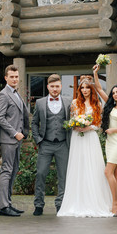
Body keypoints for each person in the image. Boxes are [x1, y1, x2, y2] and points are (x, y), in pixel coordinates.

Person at [57, 79, 113, 217]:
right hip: (77, 137)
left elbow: (99, 124)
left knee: (92, 167)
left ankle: (94, 201)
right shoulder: (75, 103)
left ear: (91, 89)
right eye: (82, 88)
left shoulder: (97, 104)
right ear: (80, 89)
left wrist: (89, 127)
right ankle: (76, 201)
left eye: (88, 87)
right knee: (78, 167)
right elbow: (70, 119)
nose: (85, 90)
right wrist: (75, 125)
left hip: (90, 137)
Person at [93, 64, 117, 216]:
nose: (115, 94)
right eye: (114, 92)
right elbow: (99, 89)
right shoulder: (110, 106)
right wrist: (95, 73)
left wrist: (115, 130)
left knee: (107, 171)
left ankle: (114, 203)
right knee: (115, 173)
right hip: (109, 142)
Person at [31, 74, 71, 216]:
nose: (55, 89)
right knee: (41, 174)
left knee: (63, 176)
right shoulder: (40, 102)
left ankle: (61, 204)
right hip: (45, 143)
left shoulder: (68, 101)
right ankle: (39, 205)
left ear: (61, 87)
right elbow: (34, 123)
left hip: (62, 144)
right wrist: (38, 139)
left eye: (57, 86)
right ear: (48, 86)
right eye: (52, 86)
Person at [0, 65, 29, 217]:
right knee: (7, 171)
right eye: (12, 76)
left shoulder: (16, 94)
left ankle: (8, 203)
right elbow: (0, 117)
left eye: (16, 76)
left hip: (17, 140)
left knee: (14, 171)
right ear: (6, 78)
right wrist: (15, 133)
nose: (15, 79)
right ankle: (3, 207)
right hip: (9, 139)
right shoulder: (4, 94)